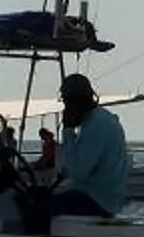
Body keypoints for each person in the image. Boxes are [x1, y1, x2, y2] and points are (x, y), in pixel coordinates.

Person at [48, 70, 131, 218]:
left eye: (67, 102)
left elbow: (78, 172)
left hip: (98, 202)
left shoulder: (97, 126)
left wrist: (68, 131)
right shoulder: (99, 120)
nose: (65, 109)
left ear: (75, 102)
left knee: (37, 207)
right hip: (101, 198)